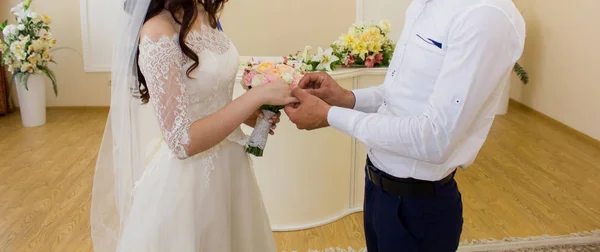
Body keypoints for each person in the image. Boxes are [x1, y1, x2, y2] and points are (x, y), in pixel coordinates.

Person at [284, 0, 526, 251]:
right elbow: (398, 96)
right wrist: (348, 99)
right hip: (378, 189)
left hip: (418, 207)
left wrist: (330, 115)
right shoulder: (423, 5)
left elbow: (434, 138)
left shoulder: (485, 16)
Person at [90, 0, 297, 251]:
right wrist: (254, 97)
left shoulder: (205, 13)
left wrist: (249, 114)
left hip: (232, 167)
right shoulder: (158, 31)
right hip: (191, 182)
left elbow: (208, 99)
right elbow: (181, 141)